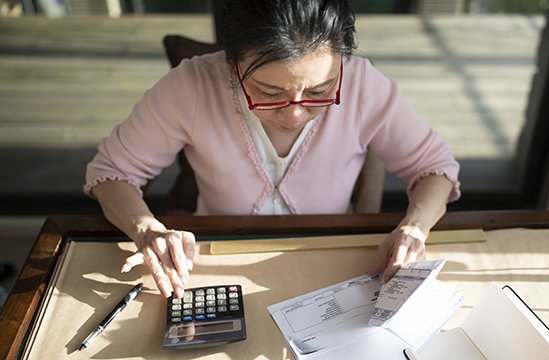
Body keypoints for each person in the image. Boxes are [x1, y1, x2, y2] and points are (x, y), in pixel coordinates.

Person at [84, 0, 460, 299]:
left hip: (333, 259)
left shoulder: (363, 84)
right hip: (213, 260)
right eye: (270, 93)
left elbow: (435, 169)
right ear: (232, 64)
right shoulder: (193, 84)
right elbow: (112, 172)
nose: (295, 113)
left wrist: (414, 227)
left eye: (318, 92)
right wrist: (145, 228)